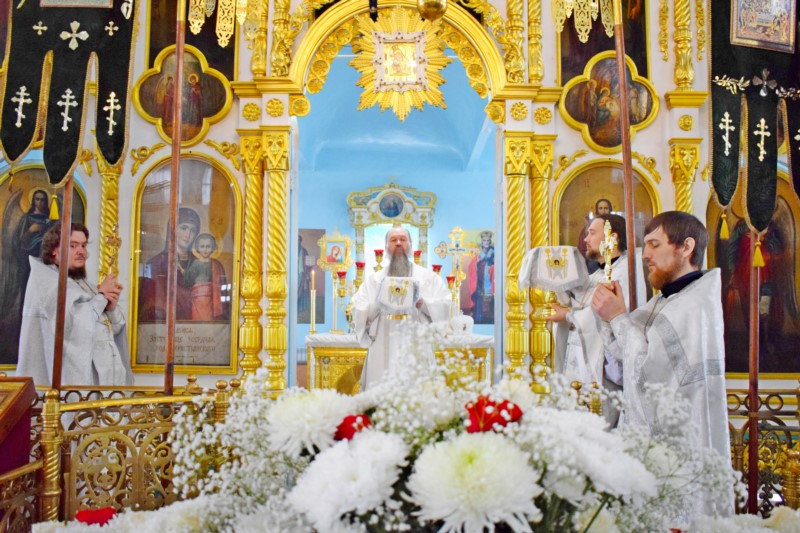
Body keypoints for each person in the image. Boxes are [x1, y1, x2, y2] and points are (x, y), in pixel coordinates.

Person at [591, 211, 730, 514]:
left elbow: (650, 377)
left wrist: (618, 317)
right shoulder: (663, 301)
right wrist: (609, 318)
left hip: (679, 456)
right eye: (646, 246)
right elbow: (623, 360)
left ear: (686, 247)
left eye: (655, 245)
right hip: (652, 450)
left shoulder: (694, 307)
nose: (645, 255)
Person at [547, 214, 645, 424]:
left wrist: (568, 314)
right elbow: (580, 302)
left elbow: (604, 315)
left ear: (612, 238)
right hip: (579, 374)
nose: (586, 239)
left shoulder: (625, 274)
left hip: (603, 377)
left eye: (592, 233)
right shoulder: (595, 277)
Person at [17, 222, 133, 387]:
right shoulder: (47, 283)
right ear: (54, 250)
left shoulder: (85, 285)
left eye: (84, 245)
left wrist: (111, 308)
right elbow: (72, 325)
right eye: (73, 245)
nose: (81, 251)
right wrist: (101, 297)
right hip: (72, 389)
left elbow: (111, 329)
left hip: (105, 383)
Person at [352, 227, 451, 389]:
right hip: (381, 344)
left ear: (410, 245)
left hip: (417, 343)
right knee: (380, 393)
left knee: (417, 392)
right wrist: (378, 303)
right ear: (386, 246)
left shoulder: (427, 277)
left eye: (403, 239)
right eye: (393, 240)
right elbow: (358, 309)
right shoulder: (374, 280)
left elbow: (444, 305)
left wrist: (422, 303)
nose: (398, 243)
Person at [138, 207, 200, 321]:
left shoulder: (199, 264)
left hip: (196, 327)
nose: (188, 235)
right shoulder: (156, 263)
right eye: (184, 228)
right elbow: (148, 305)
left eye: (193, 230)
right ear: (172, 230)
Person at [184, 233, 229, 321]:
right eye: (202, 246)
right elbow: (188, 281)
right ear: (198, 248)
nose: (205, 249)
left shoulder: (217, 265)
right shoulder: (195, 264)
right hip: (197, 300)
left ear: (212, 248)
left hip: (212, 300)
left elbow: (222, 285)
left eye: (208, 246)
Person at [464, 230, 495, 323]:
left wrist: (492, 267)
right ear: (481, 242)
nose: (486, 242)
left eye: (488, 240)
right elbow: (471, 266)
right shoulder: (478, 253)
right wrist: (476, 263)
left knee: (490, 302)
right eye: (484, 240)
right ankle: (479, 320)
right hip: (480, 283)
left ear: (490, 241)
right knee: (479, 302)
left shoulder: (493, 253)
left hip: (490, 282)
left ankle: (490, 320)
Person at [578, 199, 612, 273]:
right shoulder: (591, 226)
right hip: (594, 260)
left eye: (606, 208)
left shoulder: (615, 225)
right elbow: (584, 245)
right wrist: (588, 226)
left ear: (610, 210)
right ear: (597, 210)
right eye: (600, 208)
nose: (603, 211)